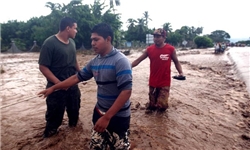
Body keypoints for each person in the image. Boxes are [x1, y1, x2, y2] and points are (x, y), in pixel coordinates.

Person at [38, 23, 132, 150]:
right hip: (99, 112)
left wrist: (107, 117)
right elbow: (76, 77)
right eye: (91, 40)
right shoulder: (95, 61)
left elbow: (126, 92)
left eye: (96, 39)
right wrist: (54, 88)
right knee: (96, 147)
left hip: (117, 117)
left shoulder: (121, 61)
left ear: (108, 39)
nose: (92, 43)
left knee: (119, 147)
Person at [38, 17, 81, 138]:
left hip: (72, 85)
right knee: (53, 120)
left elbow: (74, 60)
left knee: (74, 116)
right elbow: (43, 67)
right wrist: (59, 84)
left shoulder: (72, 42)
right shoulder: (49, 43)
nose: (76, 31)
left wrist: (81, 74)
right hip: (56, 88)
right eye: (75, 28)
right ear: (68, 28)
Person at [131, 28, 184, 113]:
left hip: (165, 82)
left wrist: (180, 72)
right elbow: (138, 60)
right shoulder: (149, 50)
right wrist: (127, 67)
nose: (156, 38)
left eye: (158, 36)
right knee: (152, 106)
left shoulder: (170, 49)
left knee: (162, 107)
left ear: (164, 38)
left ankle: (161, 124)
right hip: (153, 81)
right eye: (154, 36)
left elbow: (176, 62)